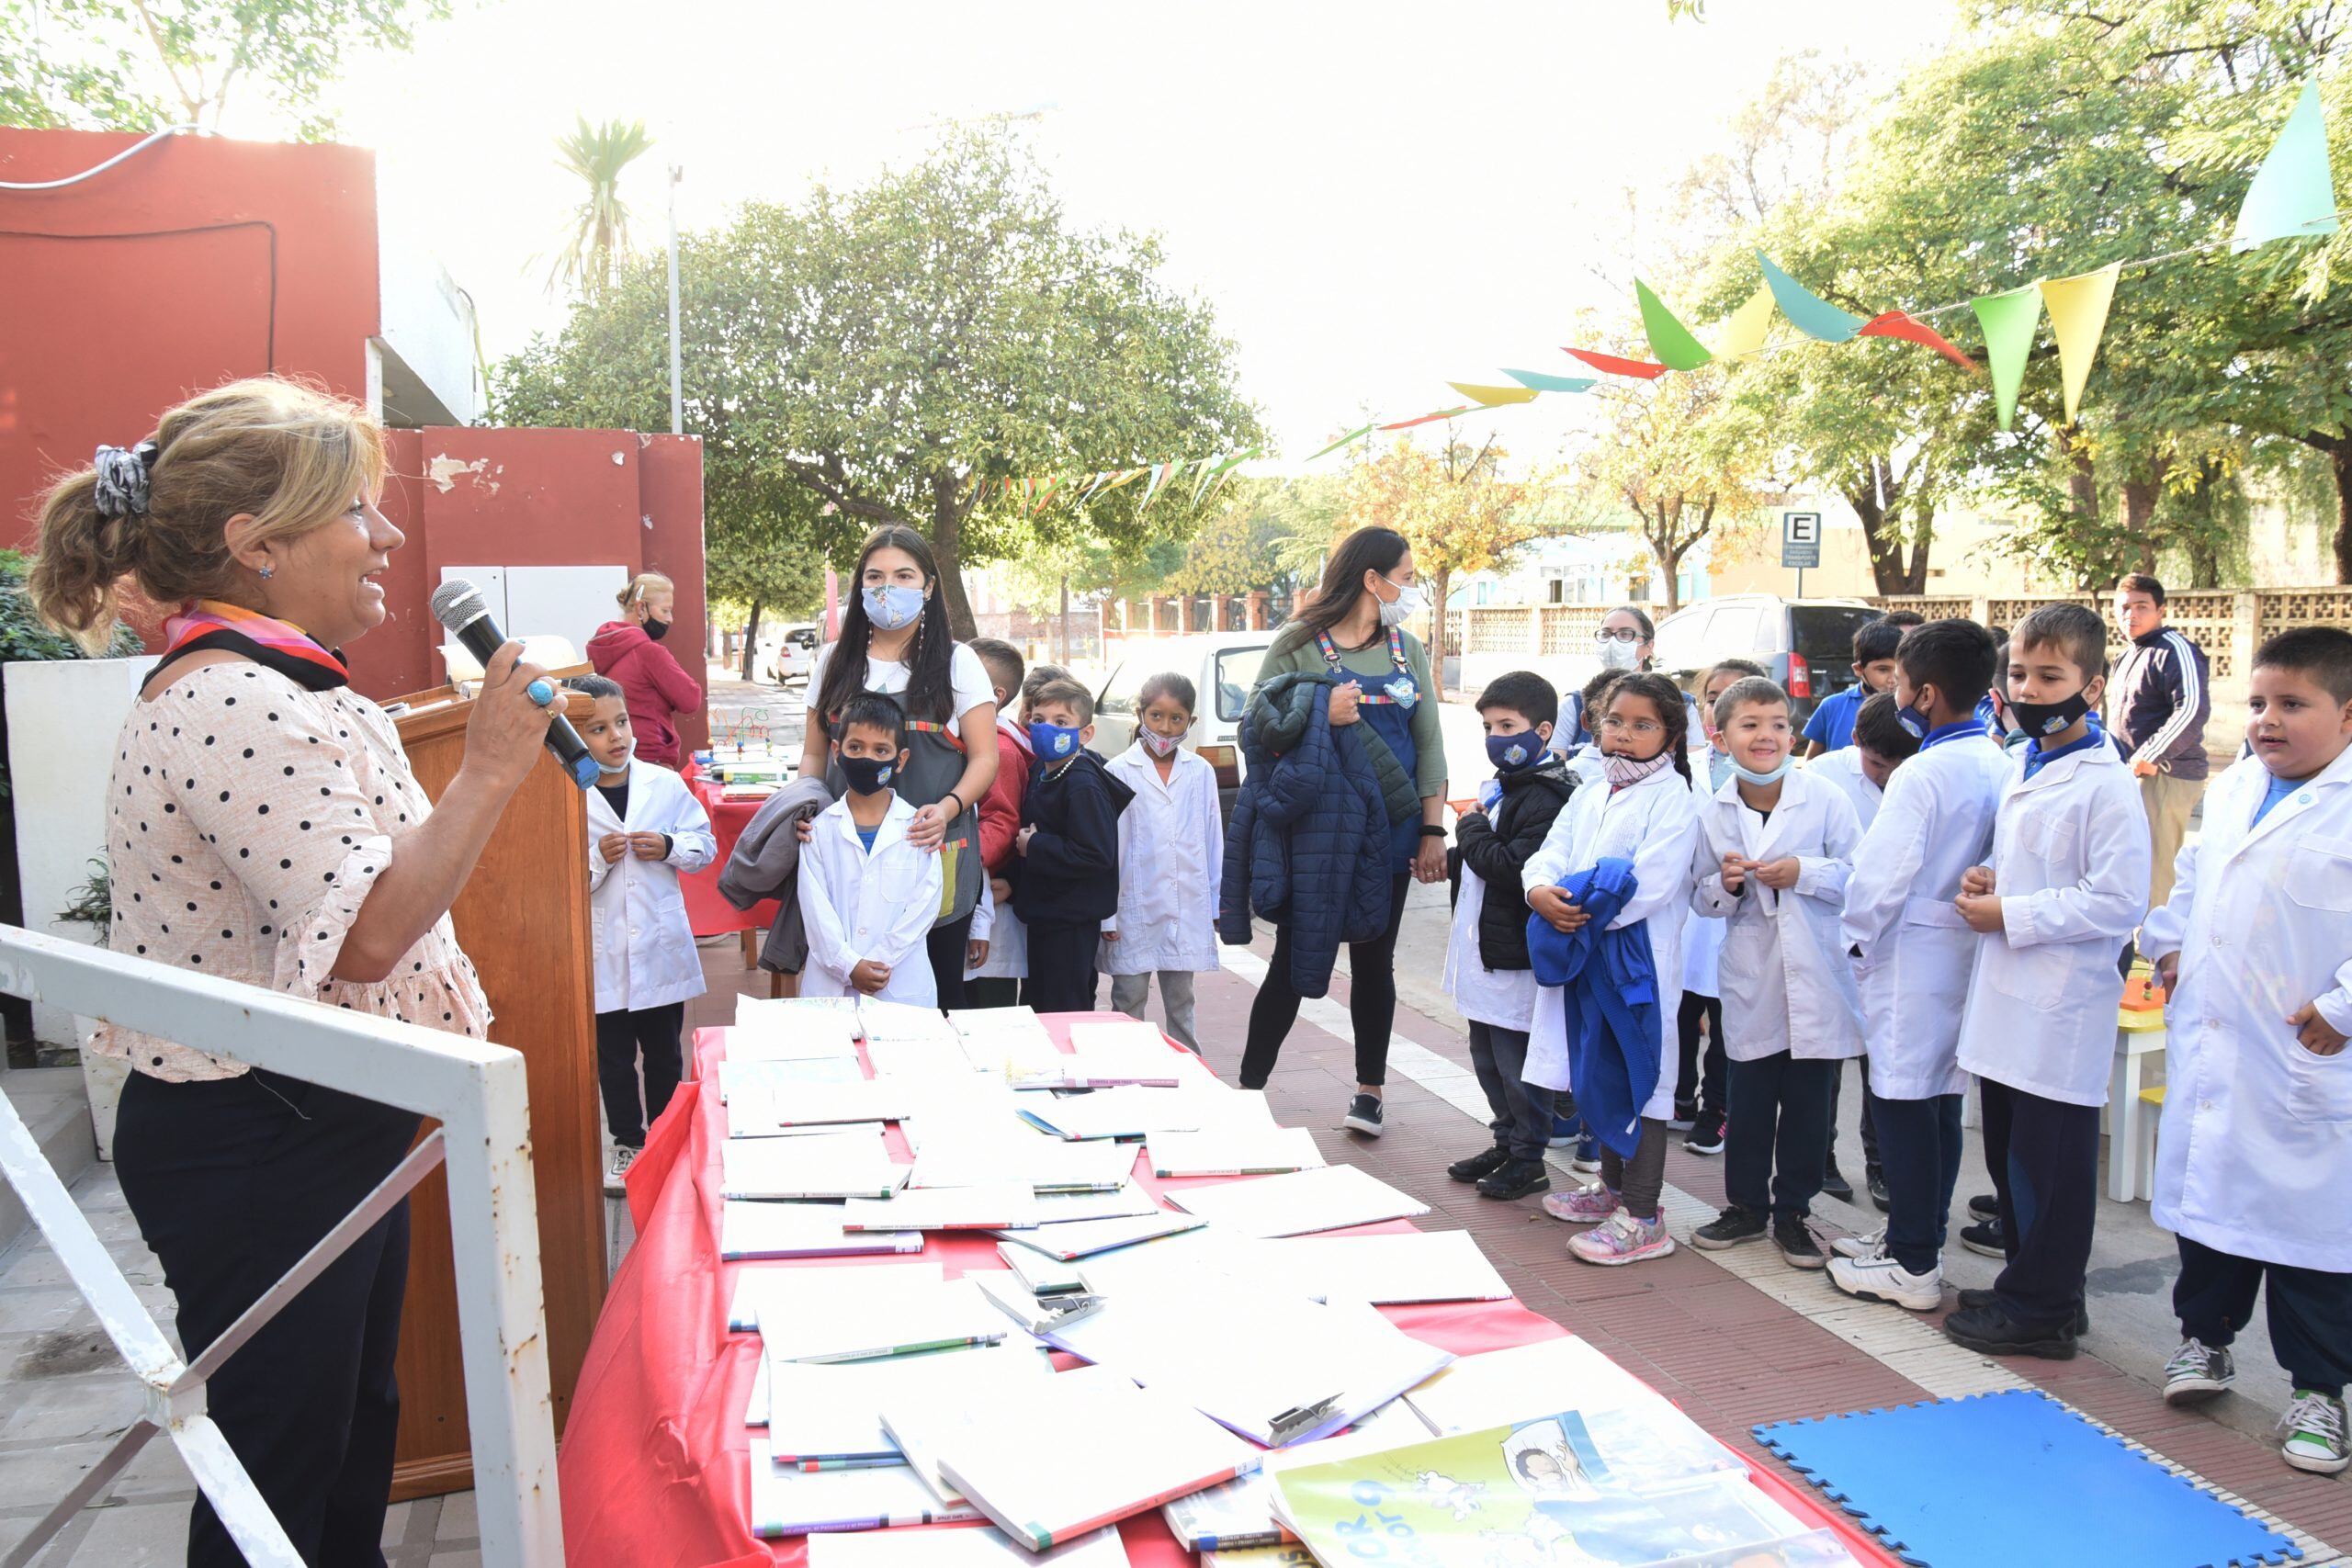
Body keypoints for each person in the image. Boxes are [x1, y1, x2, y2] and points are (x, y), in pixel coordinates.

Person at [28, 377, 555, 1567]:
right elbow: (366, 931)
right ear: (253, 546)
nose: (389, 536)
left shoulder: (275, 683)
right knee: (277, 1465)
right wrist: (484, 772)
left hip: (314, 1115)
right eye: (357, 511)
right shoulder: (230, 699)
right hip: (258, 1136)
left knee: (343, 1437)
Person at [2141, 626, 2352, 1475]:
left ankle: (2319, 1393)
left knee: (2314, 1240)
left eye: (2293, 704)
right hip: (2220, 1041)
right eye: (2259, 703)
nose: (2268, 721)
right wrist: (2168, 949)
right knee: (2212, 1217)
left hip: (2308, 1053)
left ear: (2346, 716)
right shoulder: (2233, 789)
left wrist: (2345, 1006)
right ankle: (2204, 1342)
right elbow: (2190, 881)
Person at [1944, 604, 2150, 1359]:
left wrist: (2012, 910)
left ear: (2092, 687)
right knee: (2009, 1157)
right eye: (2020, 674)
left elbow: (2119, 899)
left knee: (2049, 1167)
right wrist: (1991, 877)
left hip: (2060, 1002)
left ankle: (2045, 1308)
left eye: (2050, 677)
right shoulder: (2026, 762)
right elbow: (2036, 862)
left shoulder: (2108, 782)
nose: (2030, 689)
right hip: (2010, 996)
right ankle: (2034, 1286)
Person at [1239, 527, 1449, 1135]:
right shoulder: (1300, 643)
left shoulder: (1407, 647)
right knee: (1293, 960)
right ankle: (1250, 1086)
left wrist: (1433, 829)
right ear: (1372, 579)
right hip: (1319, 833)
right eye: (1406, 579)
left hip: (1396, 829)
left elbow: (1429, 745)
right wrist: (1316, 711)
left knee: (1374, 960)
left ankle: (1369, 1090)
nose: (1410, 590)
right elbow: (1257, 726)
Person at [1827, 619, 2010, 1314]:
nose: (1895, 693)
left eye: (1901, 683)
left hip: (1911, 953)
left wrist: (1856, 946)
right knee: (1938, 1101)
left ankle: (1911, 1262)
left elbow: (1878, 881)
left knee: (1902, 1101)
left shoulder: (1923, 771)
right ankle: (1917, 1235)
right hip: (1962, 953)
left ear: (1925, 694)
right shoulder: (1995, 757)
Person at [1522, 672, 1703, 1266]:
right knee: (1596, 1069)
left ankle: (1645, 1215)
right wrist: (1541, 890)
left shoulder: (1675, 800)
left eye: (1643, 724)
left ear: (1670, 737)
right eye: (1615, 721)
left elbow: (1644, 884)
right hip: (1585, 950)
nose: (1624, 735)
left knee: (1641, 1080)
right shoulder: (1590, 790)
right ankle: (1612, 1188)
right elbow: (1552, 849)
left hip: (1635, 965)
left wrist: (1575, 904)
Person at [1689, 677, 1865, 1270]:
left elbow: (1859, 876)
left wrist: (1803, 872)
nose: (1765, 735)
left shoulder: (1824, 798)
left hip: (1818, 970)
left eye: (1777, 724)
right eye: (1750, 724)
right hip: (1751, 974)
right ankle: (1745, 1207)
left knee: (1810, 1105)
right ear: (1722, 736)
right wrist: (1728, 884)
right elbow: (1700, 897)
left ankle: (1793, 1211)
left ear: (1793, 732)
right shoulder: (1713, 811)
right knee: (1750, 1098)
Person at [798, 525, 999, 1009]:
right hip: (844, 856)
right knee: (840, 987)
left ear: (929, 587)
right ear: (860, 587)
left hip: (933, 852)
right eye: (875, 577)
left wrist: (949, 808)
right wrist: (804, 804)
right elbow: (814, 754)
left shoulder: (958, 663)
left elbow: (985, 757)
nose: (888, 588)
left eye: (904, 575)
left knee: (931, 1007)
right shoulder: (832, 663)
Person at [572, 673, 715, 1192]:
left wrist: (670, 844)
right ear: (570, 734)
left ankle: (667, 1137)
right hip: (602, 951)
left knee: (663, 1053)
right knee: (611, 1057)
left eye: (622, 722)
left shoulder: (665, 783)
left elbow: (705, 846)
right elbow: (553, 877)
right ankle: (628, 1143)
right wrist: (596, 861)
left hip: (658, 947)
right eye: (597, 729)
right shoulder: (565, 794)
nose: (616, 736)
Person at [1443, 671, 1577, 1201]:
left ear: (1542, 731)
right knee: (1485, 1054)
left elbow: (1510, 867)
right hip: (1485, 950)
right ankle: (1505, 1139)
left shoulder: (1547, 797)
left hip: (1516, 956)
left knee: (1517, 1062)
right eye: (1488, 726)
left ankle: (1529, 1156)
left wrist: (1470, 828)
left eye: (1508, 725)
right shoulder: (1505, 788)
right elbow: (1479, 866)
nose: (1496, 736)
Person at [1808, 690, 1919, 1211]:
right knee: (1828, 1057)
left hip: (1897, 941)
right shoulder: (1823, 776)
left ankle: (1882, 1165)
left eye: (1900, 766)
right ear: (1856, 742)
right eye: (1878, 764)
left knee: (1883, 1060)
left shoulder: (1923, 778)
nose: (1887, 776)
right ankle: (1821, 1157)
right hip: (1832, 934)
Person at [1101, 672, 1222, 1047]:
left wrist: (1215, 905)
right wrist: (1109, 913)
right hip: (1131, 908)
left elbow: (1212, 838)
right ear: (1140, 715)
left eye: (1176, 719)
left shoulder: (1200, 772)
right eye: (1156, 716)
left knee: (1182, 1000)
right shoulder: (1118, 771)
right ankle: (1126, 1072)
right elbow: (1110, 848)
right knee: (1128, 997)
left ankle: (1191, 1074)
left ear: (1191, 722)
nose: (1165, 728)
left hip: (1184, 905)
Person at [799, 693, 945, 1005]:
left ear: (900, 760)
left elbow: (925, 905)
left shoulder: (918, 828)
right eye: (856, 747)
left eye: (881, 750)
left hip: (900, 987)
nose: (867, 758)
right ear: (837, 753)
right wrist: (848, 966)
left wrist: (879, 962)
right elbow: (815, 910)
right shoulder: (819, 830)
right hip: (832, 988)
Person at [1678, 658, 1765, 1156]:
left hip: (1743, 912)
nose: (1721, 705)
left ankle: (1718, 1111)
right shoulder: (1686, 764)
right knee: (1685, 1010)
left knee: (1727, 1019)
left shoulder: (1769, 771)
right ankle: (1682, 1097)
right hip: (1694, 911)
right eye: (1713, 697)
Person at [1016, 678, 1131, 1013]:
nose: (1046, 729)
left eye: (1061, 722)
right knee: (1039, 1004)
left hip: (1070, 919)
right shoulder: (1043, 769)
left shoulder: (1082, 783)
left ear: (1086, 733)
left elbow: (1095, 854)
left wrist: (1035, 845)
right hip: (1046, 913)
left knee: (1066, 1007)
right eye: (1038, 720)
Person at [2110, 573, 2211, 907]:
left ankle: (2160, 947)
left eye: (2141, 607)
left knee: (2157, 865)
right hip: (2129, 774)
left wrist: (2148, 756)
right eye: (2125, 608)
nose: (2131, 615)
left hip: (2166, 774)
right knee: (2128, 858)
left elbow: (2192, 709)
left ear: (2161, 611)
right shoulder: (2127, 655)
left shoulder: (2176, 650)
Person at [964, 639, 1035, 1007]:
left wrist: (957, 862)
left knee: (987, 1013)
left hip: (988, 905)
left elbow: (1002, 825)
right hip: (969, 894)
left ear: (995, 694)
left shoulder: (1001, 751)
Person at [587, 570, 704, 769]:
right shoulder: (648, 652)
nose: (670, 619)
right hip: (651, 757)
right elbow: (690, 699)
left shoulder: (604, 646)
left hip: (615, 756)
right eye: (665, 610)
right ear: (642, 608)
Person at [1801, 616, 1905, 759]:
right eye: (1883, 669)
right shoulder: (1832, 706)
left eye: (1898, 668)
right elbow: (1810, 763)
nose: (1893, 679)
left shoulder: (1909, 708)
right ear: (1858, 669)